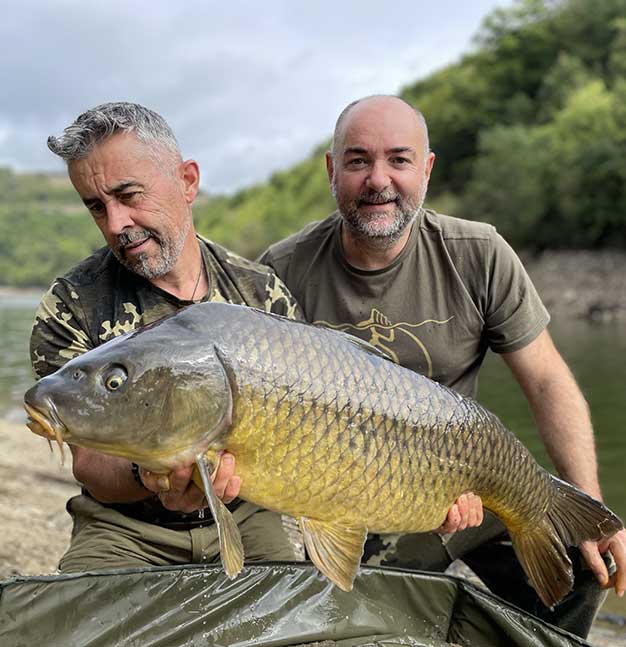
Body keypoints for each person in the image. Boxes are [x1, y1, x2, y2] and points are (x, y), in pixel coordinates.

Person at [259, 95, 626, 638]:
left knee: (587, 563)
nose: (378, 179)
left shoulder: (478, 253)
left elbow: (549, 382)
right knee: (347, 626)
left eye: (399, 160)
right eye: (358, 161)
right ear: (332, 171)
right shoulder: (282, 270)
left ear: (426, 170)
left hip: (470, 479)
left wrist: (588, 496)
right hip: (360, 499)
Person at [29, 102, 306, 572]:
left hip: (245, 515)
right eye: (97, 207)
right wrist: (149, 473)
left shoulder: (262, 294)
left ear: (187, 182)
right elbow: (90, 462)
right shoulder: (71, 302)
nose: (116, 224)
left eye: (129, 195)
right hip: (124, 528)